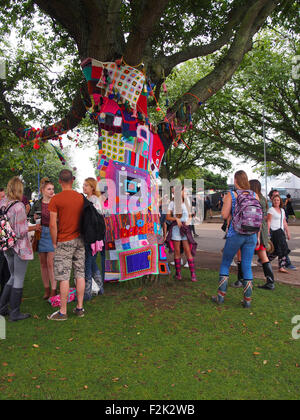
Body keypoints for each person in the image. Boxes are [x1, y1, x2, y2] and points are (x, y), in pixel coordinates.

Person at [212, 171, 260, 308]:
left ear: (235, 180)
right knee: (246, 265)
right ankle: (247, 300)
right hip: (251, 234)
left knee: (226, 263)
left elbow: (224, 214)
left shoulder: (231, 195)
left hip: (236, 233)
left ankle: (220, 297)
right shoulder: (254, 195)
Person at [0, 177, 41, 321]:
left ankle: (3, 307)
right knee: (18, 278)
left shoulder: (2, 204)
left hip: (6, 246)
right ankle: (15, 312)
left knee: (12, 276)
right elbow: (21, 230)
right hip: (19, 247)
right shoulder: (19, 206)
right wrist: (33, 229)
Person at [47, 169, 85, 321]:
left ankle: (63, 312)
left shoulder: (55, 200)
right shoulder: (80, 198)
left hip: (64, 239)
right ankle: (80, 308)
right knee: (80, 273)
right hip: (80, 239)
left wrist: (54, 242)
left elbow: (52, 225)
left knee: (63, 276)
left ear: (59, 182)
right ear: (73, 180)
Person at [30, 178, 57, 300]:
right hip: (40, 234)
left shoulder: (56, 202)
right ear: (42, 191)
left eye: (52, 189)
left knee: (51, 263)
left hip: (52, 233)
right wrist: (34, 218)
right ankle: (46, 289)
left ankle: (53, 289)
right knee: (43, 264)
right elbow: (31, 219)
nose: (51, 191)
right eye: (49, 189)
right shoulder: (37, 204)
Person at [166, 186, 197, 282]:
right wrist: (176, 219)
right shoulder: (171, 203)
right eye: (174, 191)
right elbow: (167, 217)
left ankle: (193, 274)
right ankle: (178, 274)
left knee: (188, 250)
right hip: (175, 229)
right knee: (177, 251)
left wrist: (188, 222)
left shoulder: (187, 202)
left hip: (185, 229)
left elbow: (191, 215)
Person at [250, 179, 276, 290]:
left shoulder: (256, 199)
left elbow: (257, 217)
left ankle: (243, 279)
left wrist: (258, 235)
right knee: (263, 255)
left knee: (249, 253)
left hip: (257, 230)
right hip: (263, 229)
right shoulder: (263, 198)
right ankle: (270, 281)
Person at [82, 177, 104, 300]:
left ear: (92, 187)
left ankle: (88, 292)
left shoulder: (93, 200)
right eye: (83, 185)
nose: (84, 187)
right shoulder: (89, 199)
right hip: (93, 236)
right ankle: (100, 287)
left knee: (88, 263)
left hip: (92, 236)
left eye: (86, 185)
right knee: (92, 262)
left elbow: (96, 219)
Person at [267, 195, 294, 273]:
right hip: (274, 231)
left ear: (280, 201)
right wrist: (268, 232)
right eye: (275, 200)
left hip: (281, 232)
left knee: (281, 249)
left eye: (278, 200)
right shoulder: (271, 210)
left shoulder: (282, 210)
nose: (276, 201)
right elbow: (268, 221)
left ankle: (267, 261)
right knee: (279, 249)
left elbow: (284, 222)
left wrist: (288, 233)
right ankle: (267, 261)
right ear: (272, 201)